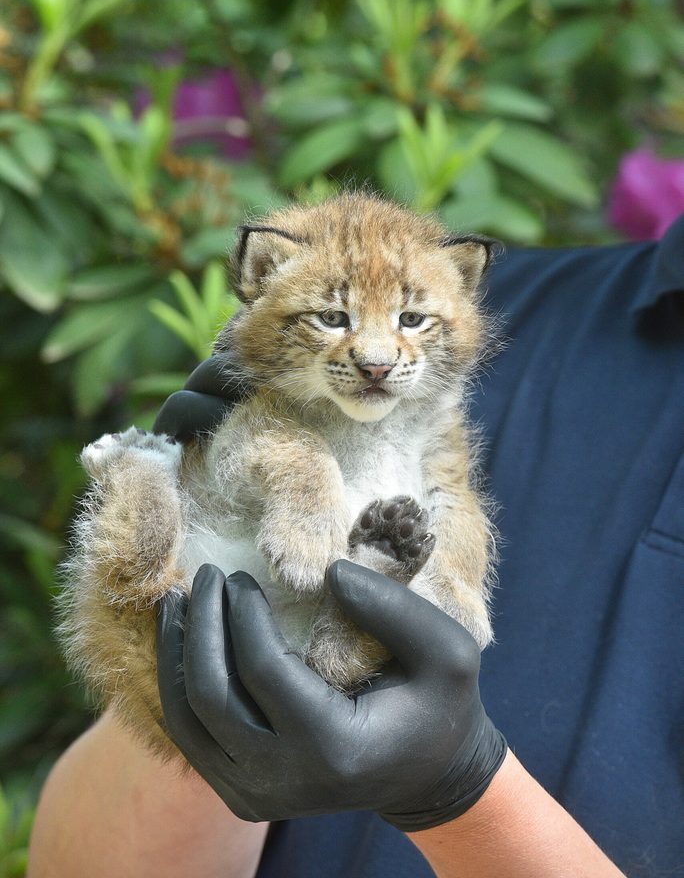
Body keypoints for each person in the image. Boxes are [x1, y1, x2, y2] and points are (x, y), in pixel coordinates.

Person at [27, 214, 684, 878]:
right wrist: (197, 701)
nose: (377, 357)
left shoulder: (450, 301)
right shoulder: (517, 298)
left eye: (408, 322)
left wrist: (458, 791)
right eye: (335, 320)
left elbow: (454, 529)